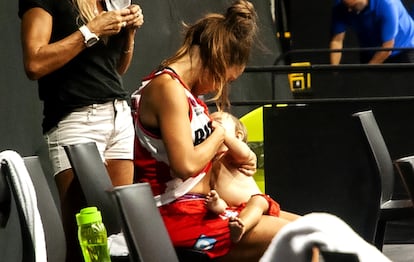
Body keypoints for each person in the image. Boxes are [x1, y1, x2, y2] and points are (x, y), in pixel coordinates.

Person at [133, 1, 309, 260]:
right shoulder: (166, 88)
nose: (219, 86)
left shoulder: (187, 94)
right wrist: (220, 134)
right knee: (306, 242)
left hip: (204, 209)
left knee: (316, 229)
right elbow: (185, 165)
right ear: (218, 58)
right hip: (176, 215)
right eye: (226, 79)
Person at [18, 0, 144, 260]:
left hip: (118, 117)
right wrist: (90, 31)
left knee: (117, 237)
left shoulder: (106, 0)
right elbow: (34, 63)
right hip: (76, 120)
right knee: (84, 237)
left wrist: (129, 33)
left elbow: (115, 69)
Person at [205, 111, 299, 243]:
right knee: (217, 204)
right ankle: (237, 225)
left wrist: (222, 134)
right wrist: (216, 203)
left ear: (238, 136)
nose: (211, 125)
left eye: (218, 122)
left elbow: (243, 153)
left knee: (259, 203)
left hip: (257, 202)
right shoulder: (207, 162)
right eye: (207, 124)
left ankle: (242, 226)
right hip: (232, 210)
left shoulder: (232, 156)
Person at [330, 0, 414, 64]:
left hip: (404, 47)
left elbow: (387, 48)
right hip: (371, 49)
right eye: (347, 6)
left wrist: (366, 74)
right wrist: (334, 70)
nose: (349, 10)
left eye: (353, 6)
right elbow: (337, 41)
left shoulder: (387, 4)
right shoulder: (341, 6)